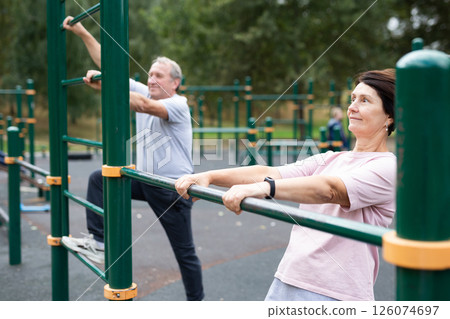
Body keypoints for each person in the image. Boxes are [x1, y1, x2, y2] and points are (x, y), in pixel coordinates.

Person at [175, 69, 396, 301]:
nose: (352, 107)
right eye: (352, 99)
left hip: (335, 293)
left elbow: (330, 189)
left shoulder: (386, 167)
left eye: (364, 100)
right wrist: (209, 176)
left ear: (389, 116)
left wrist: (265, 189)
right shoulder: (332, 158)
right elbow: (270, 172)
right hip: (289, 279)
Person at [60, 17, 204, 301]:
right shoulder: (142, 90)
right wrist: (81, 32)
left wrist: (106, 84)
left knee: (184, 253)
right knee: (99, 179)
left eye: (158, 76)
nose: (151, 79)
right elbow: (110, 65)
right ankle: (99, 242)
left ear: (175, 83)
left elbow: (144, 106)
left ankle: (197, 303)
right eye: (149, 75)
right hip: (144, 180)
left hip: (172, 189)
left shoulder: (177, 104)